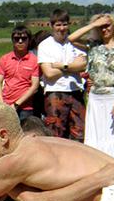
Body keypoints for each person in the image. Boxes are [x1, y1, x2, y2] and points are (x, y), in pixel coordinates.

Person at [69, 13, 114, 169]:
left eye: (107, 25)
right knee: (99, 135)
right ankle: (100, 167)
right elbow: (71, 38)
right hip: (96, 97)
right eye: (101, 27)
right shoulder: (93, 46)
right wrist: (93, 25)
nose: (104, 29)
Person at [37, 8, 87, 140]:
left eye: (64, 24)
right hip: (55, 93)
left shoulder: (75, 44)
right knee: (56, 133)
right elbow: (49, 73)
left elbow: (82, 65)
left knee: (80, 132)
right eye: (58, 25)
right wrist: (71, 66)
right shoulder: (45, 45)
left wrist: (61, 65)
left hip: (76, 91)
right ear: (52, 26)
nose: (62, 28)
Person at [0, 25, 40, 121]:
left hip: (26, 108)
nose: (20, 41)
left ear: (29, 40)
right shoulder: (4, 59)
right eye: (16, 38)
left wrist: (17, 104)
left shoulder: (34, 60)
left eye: (24, 38)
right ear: (12, 40)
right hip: (6, 105)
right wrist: (1, 103)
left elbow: (34, 86)